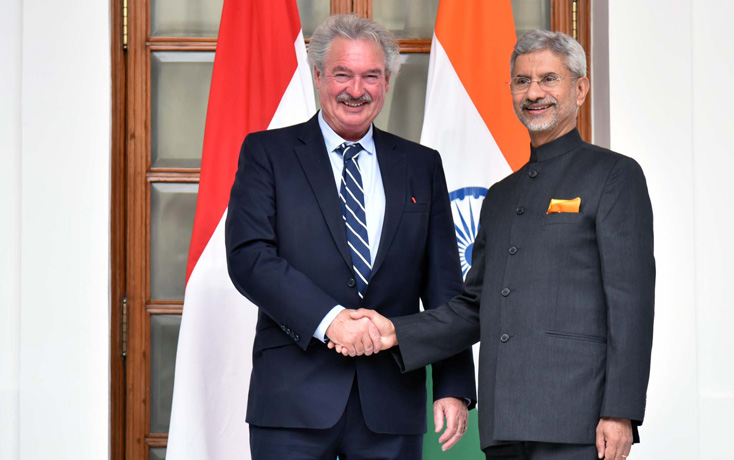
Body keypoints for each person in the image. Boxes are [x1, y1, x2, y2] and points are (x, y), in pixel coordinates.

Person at [341, 30, 656, 460]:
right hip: (504, 423)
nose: (534, 93)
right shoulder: (502, 196)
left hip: (579, 421)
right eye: (523, 81)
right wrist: (395, 331)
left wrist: (620, 412)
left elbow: (631, 302)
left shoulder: (614, 176)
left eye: (549, 79)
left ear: (580, 89)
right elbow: (475, 306)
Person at [224, 14, 477, 460]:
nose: (356, 90)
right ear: (319, 75)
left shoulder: (422, 165)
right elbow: (250, 258)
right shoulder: (267, 154)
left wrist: (454, 385)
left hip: (391, 403)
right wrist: (331, 320)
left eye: (371, 76)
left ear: (387, 81)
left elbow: (444, 287)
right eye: (343, 74)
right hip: (292, 404)